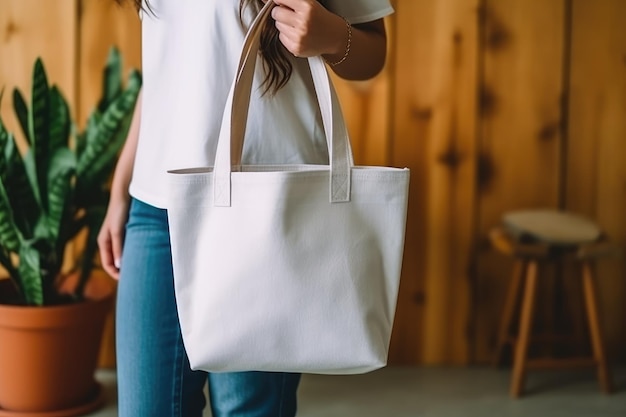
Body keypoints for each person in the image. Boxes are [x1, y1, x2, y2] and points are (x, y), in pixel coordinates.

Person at [98, 0, 393, 415]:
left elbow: (373, 52)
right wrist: (121, 188)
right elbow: (170, 66)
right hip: (156, 208)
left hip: (264, 211)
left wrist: (328, 34)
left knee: (249, 408)